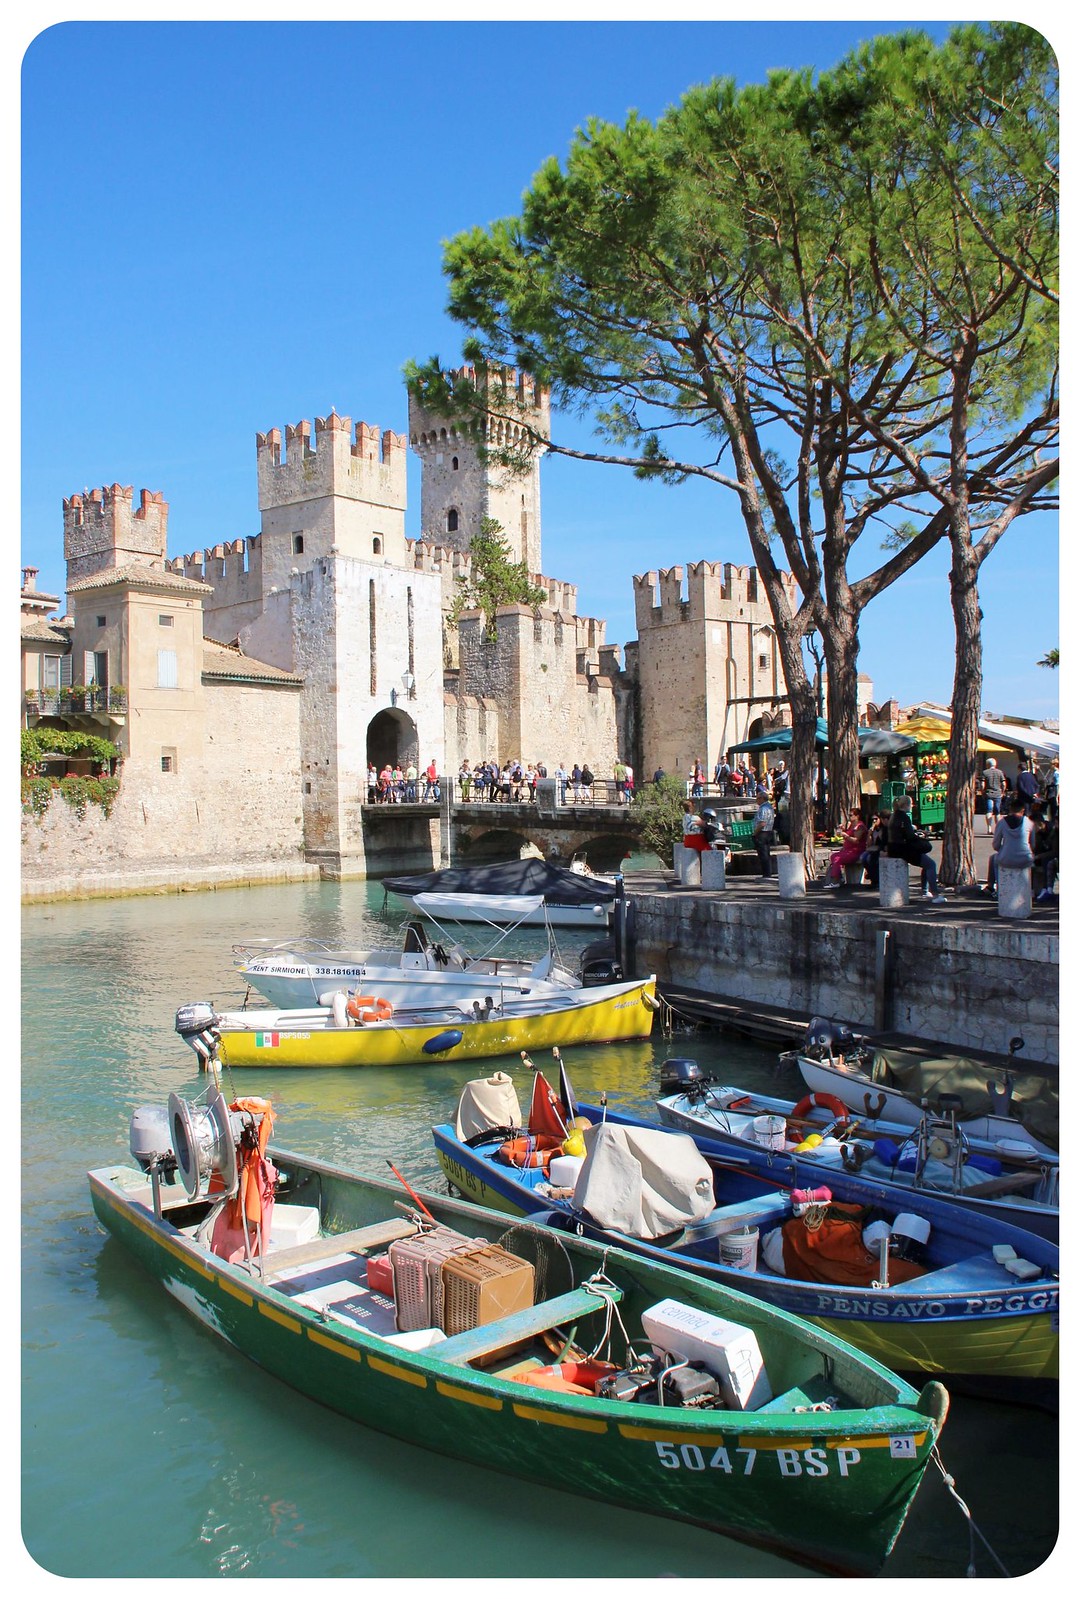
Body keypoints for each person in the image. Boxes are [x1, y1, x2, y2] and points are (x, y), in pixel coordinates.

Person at [887, 795, 945, 902]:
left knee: (926, 861)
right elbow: (909, 836)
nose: (912, 806)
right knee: (931, 864)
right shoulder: (904, 817)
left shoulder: (893, 815)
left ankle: (925, 890)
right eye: (911, 804)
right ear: (907, 805)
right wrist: (921, 838)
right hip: (903, 850)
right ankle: (935, 894)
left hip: (894, 848)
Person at [985, 796, 1036, 895]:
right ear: (1023, 810)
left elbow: (995, 845)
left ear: (1010, 809)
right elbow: (1033, 844)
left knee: (994, 859)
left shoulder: (1002, 823)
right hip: (1026, 858)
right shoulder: (1029, 823)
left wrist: (1004, 849)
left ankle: (998, 888)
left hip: (1006, 858)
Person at [828, 807, 869, 884]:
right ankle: (839, 877)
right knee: (833, 856)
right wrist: (843, 830)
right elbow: (849, 834)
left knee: (837, 859)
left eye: (851, 815)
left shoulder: (860, 826)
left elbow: (856, 840)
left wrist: (845, 835)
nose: (849, 817)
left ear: (857, 816)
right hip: (848, 850)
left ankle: (835, 880)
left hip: (856, 851)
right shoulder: (851, 825)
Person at [859, 814, 889, 890]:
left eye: (876, 819)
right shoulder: (873, 830)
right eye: (872, 819)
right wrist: (870, 833)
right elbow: (869, 844)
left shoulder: (884, 829)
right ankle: (872, 877)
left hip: (881, 849)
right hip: (872, 849)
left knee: (871, 859)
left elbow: (884, 842)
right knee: (863, 858)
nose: (874, 821)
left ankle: (876, 880)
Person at [752, 786, 776, 878]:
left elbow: (762, 823)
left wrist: (755, 833)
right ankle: (767, 873)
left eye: (757, 798)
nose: (756, 800)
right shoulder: (769, 807)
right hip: (768, 832)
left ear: (762, 798)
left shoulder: (764, 808)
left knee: (763, 854)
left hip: (762, 833)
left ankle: (766, 874)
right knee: (765, 853)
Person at [980, 758, 1007, 834]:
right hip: (998, 793)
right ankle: (997, 829)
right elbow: (1004, 784)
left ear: (988, 764)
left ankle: (989, 828)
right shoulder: (1000, 772)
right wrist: (1002, 792)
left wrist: (982, 792)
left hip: (989, 793)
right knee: (997, 812)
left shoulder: (985, 772)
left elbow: (982, 785)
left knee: (989, 810)